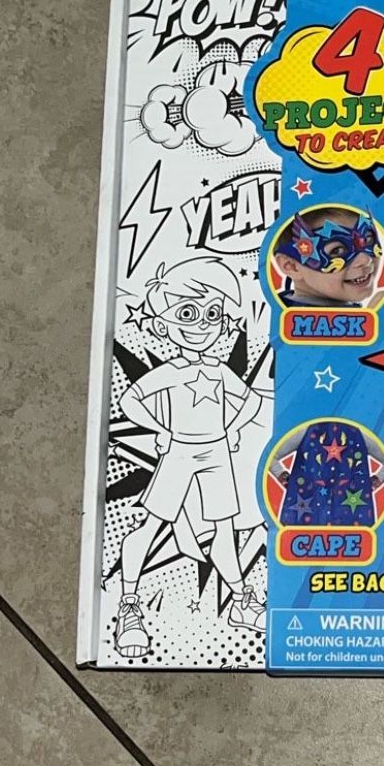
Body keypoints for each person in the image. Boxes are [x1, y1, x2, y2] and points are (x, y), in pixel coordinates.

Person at [113, 257, 264, 658]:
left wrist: (231, 427)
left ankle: (241, 601)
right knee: (151, 527)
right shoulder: (171, 372)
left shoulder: (218, 370)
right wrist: (161, 430)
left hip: (217, 454)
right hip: (180, 454)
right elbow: (130, 401)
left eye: (212, 313)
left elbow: (249, 403)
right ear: (163, 326)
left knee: (224, 533)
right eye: (187, 314)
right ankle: (129, 605)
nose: (202, 325)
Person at [272, 207, 382, 308]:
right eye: (337, 251)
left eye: (368, 240)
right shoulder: (290, 320)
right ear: (291, 267)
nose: (365, 260)